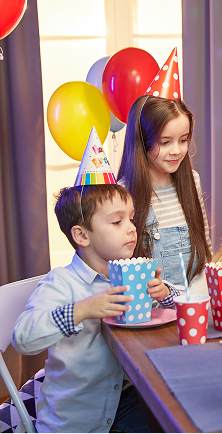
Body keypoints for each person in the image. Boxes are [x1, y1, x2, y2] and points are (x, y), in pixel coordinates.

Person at [12, 184, 179, 432]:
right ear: (82, 236)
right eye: (117, 222)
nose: (132, 227)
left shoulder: (133, 274)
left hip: (126, 399)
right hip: (75, 414)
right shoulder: (61, 282)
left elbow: (186, 306)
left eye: (131, 218)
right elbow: (23, 337)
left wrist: (164, 293)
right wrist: (83, 310)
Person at [118, 95, 213, 292]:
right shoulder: (124, 191)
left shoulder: (192, 180)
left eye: (184, 140)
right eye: (165, 142)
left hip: (194, 302)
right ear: (143, 141)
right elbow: (119, 259)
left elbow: (204, 243)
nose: (177, 150)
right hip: (151, 309)